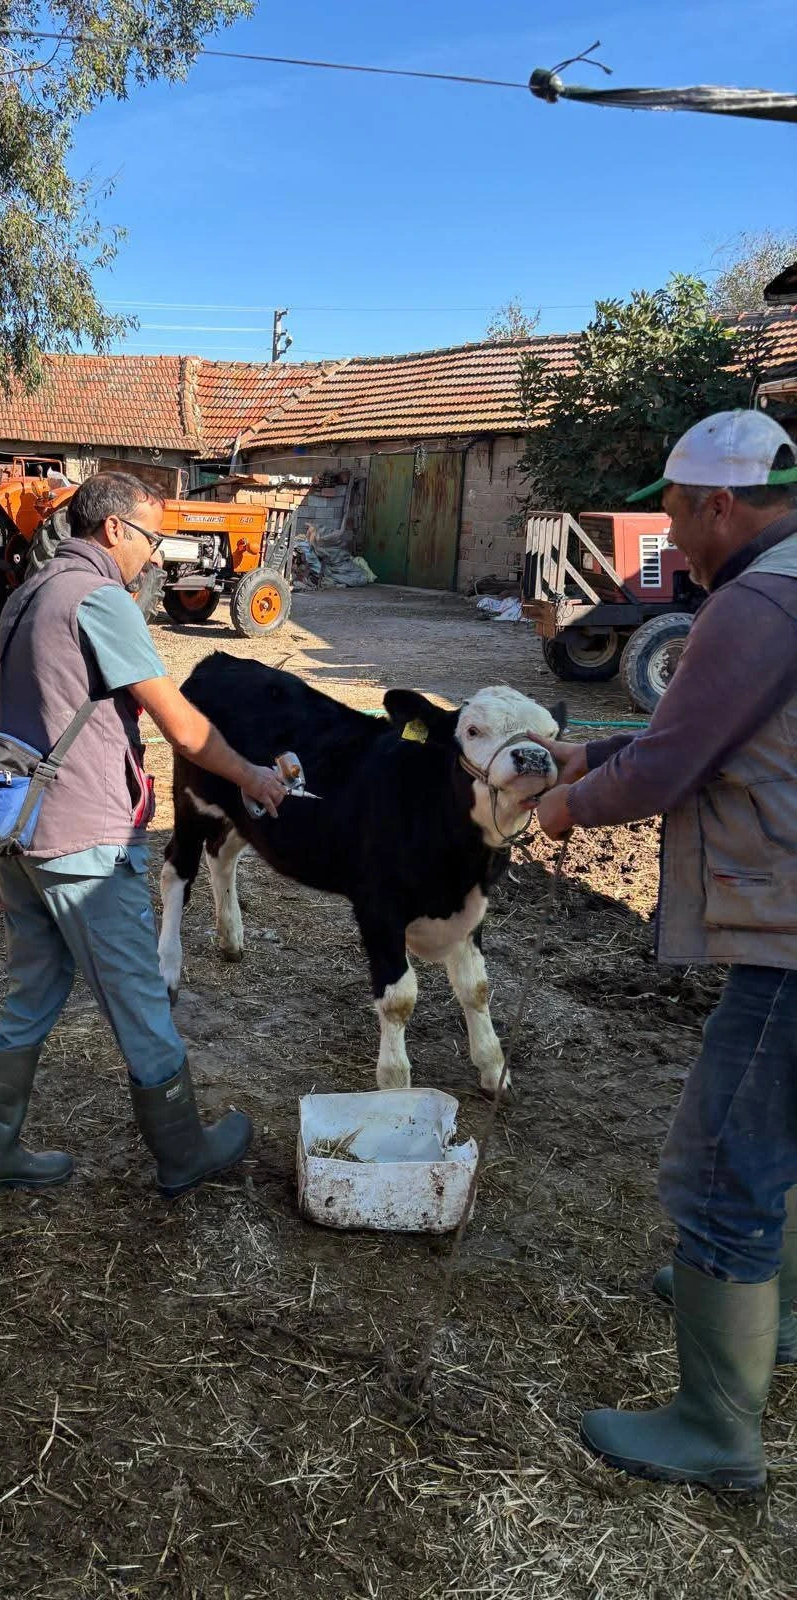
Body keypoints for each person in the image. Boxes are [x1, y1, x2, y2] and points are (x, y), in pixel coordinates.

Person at [535, 409, 797, 1491]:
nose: (672, 534)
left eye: (678, 511)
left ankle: (715, 1430)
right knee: (781, 1132)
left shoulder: (757, 601)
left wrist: (563, 804)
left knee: (720, 1157)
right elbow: (711, 730)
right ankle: (774, 1315)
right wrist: (587, 744)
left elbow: (667, 769)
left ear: (721, 503)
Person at [0, 471, 288, 1205]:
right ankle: (184, 1152)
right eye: (152, 538)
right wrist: (252, 777)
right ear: (114, 530)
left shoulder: (27, 594)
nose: (156, 554)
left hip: (21, 832)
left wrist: (1, 848)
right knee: (139, 996)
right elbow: (182, 725)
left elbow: (12, 715)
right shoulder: (100, 600)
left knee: (32, 994)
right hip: (84, 838)